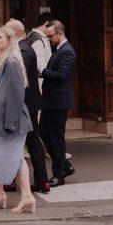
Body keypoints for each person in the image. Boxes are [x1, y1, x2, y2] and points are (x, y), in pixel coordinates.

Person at [0, 25, 35, 213]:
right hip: (5, 119)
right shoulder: (5, 60)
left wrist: (10, 123)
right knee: (12, 158)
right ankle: (4, 194)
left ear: (10, 40)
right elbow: (2, 93)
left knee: (11, 157)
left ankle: (16, 196)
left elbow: (16, 95)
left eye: (0, 37)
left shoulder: (11, 62)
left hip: (12, 121)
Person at [6, 19, 49, 193]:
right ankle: (41, 180)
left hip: (23, 104)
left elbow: (18, 80)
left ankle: (12, 181)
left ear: (13, 33)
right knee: (32, 142)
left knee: (19, 141)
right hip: (28, 103)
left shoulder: (22, 50)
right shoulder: (23, 47)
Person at [39, 20, 75, 187]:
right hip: (50, 101)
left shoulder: (67, 52)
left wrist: (42, 71)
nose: (49, 39)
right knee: (44, 133)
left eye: (50, 36)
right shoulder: (59, 49)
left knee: (56, 138)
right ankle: (65, 166)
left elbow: (62, 76)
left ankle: (58, 175)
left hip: (58, 101)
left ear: (59, 34)